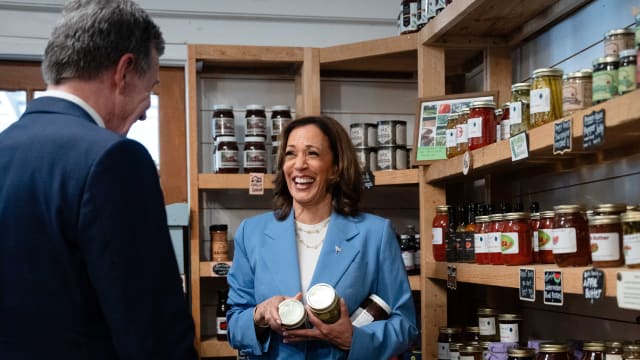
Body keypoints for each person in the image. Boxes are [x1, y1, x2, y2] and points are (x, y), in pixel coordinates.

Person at [0, 1, 197, 359]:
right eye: (151, 87)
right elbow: (155, 332)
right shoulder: (115, 160)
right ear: (124, 71)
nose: (148, 108)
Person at [226, 115, 419, 359]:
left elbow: (405, 326)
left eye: (312, 154)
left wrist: (353, 339)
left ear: (336, 168)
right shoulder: (251, 233)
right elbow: (234, 325)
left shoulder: (375, 234)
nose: (299, 165)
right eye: (291, 154)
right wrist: (259, 314)